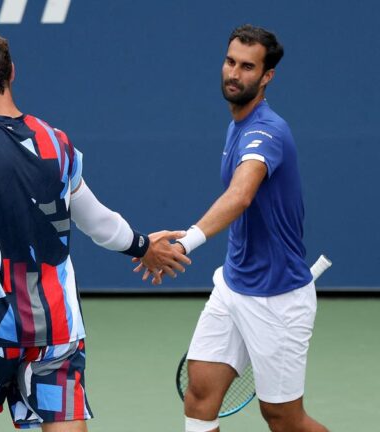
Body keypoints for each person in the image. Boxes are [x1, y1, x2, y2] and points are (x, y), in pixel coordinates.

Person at [0, 31, 190, 431]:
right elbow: (98, 221)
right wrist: (143, 246)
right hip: (56, 328)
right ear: (12, 73)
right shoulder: (57, 142)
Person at [161, 25, 328, 432]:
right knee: (199, 396)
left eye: (248, 67)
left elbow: (241, 196)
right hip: (234, 288)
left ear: (267, 76)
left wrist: (190, 240)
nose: (234, 73)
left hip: (278, 300)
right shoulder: (238, 123)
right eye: (230, 61)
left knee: (284, 419)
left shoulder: (266, 130)